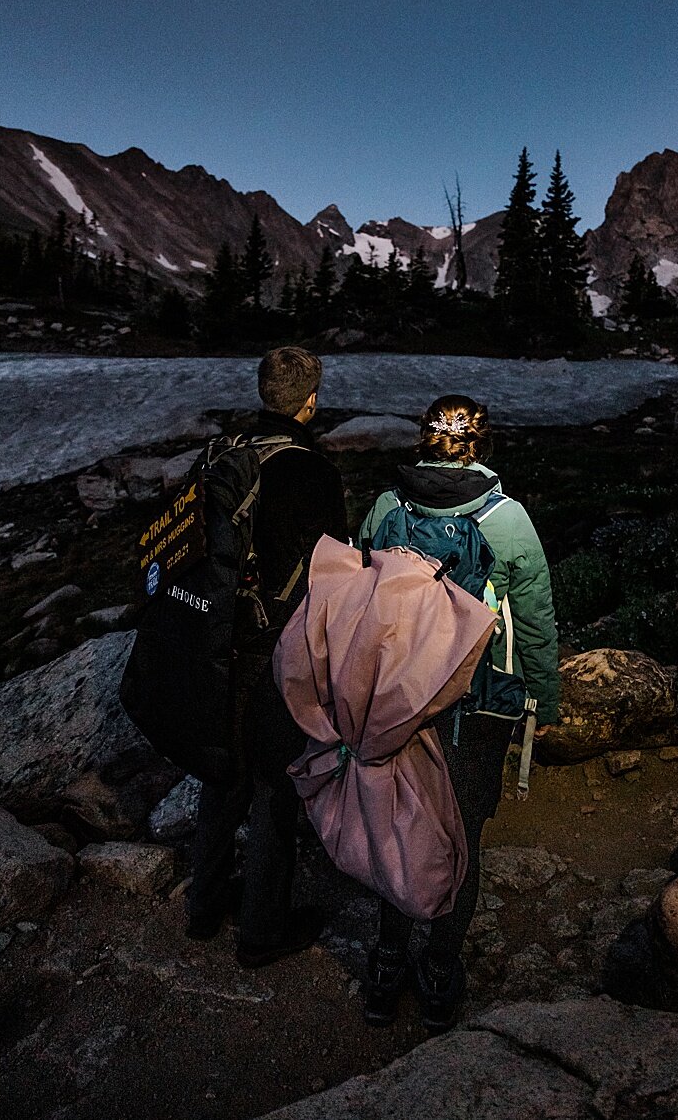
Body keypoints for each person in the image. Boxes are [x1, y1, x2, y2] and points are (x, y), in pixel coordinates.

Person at [354, 393, 560, 1030]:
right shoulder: (508, 519)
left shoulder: (388, 507)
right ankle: (440, 969)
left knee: (398, 826)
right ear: (482, 444)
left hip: (401, 702)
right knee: (462, 835)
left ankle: (388, 963)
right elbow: (534, 618)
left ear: (423, 440)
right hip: (481, 705)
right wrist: (544, 698)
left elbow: (362, 595)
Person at [184, 346, 349, 966]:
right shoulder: (311, 472)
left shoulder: (222, 453)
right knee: (276, 785)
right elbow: (331, 568)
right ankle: (260, 933)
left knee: (220, 771)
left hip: (213, 636)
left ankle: (203, 907)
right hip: (274, 643)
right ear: (310, 400)